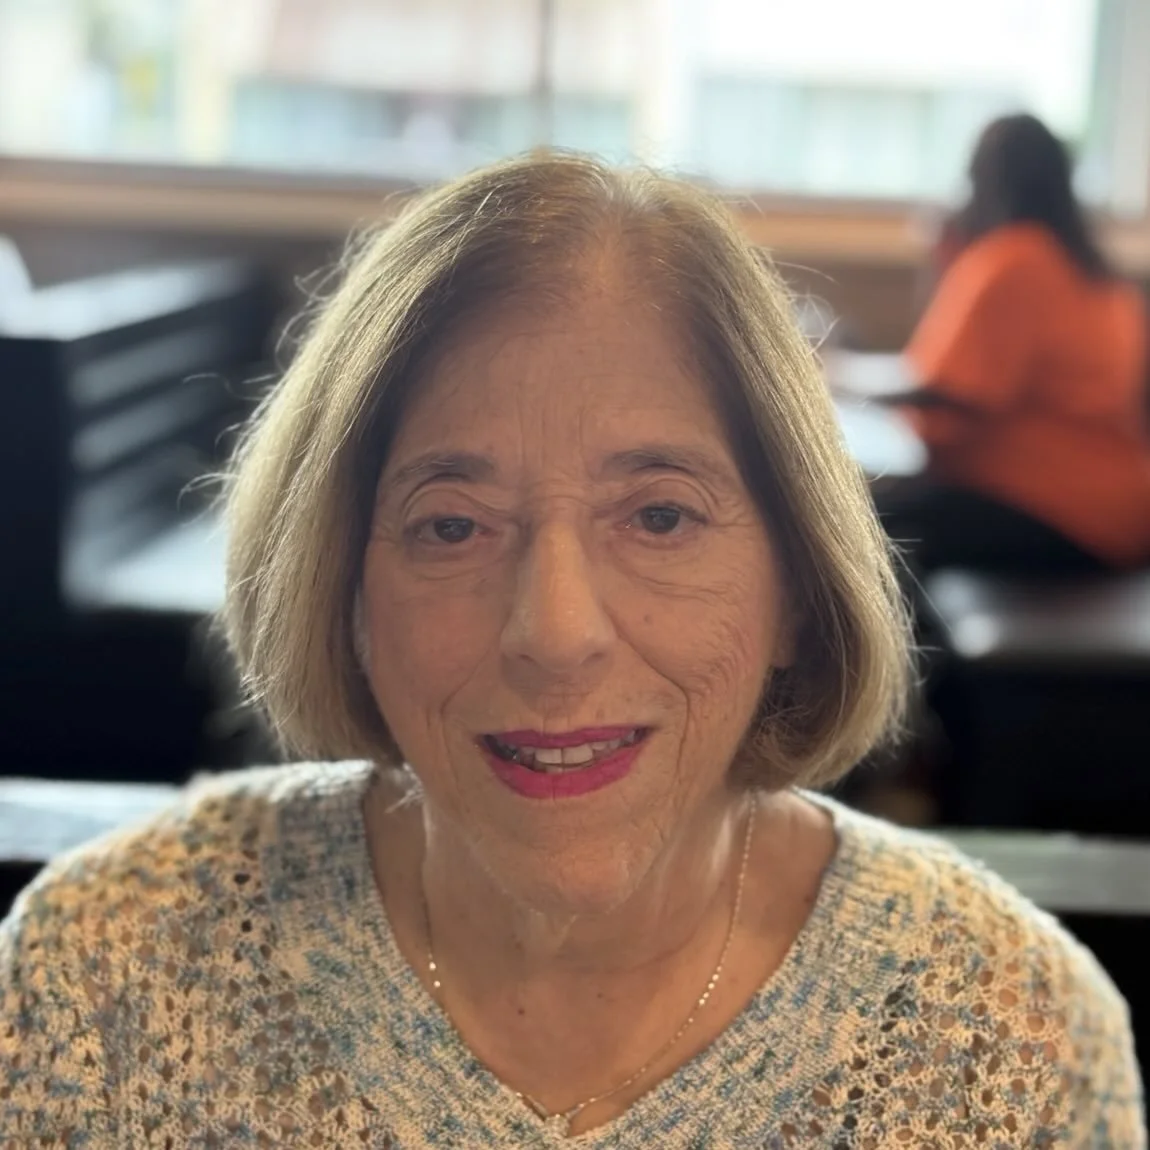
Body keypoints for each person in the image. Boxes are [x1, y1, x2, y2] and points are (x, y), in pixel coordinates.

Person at [1, 153, 1143, 1147]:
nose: (554, 635)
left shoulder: (1013, 1033)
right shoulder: (107, 968)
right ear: (343, 587)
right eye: (451, 525)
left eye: (658, 516)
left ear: (796, 584)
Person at [841, 113, 1150, 574]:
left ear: (982, 180)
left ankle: (896, 650)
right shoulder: (1092, 271)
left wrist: (841, 374)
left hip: (1057, 512)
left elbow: (946, 390)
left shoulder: (1016, 260)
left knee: (849, 527)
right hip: (1115, 513)